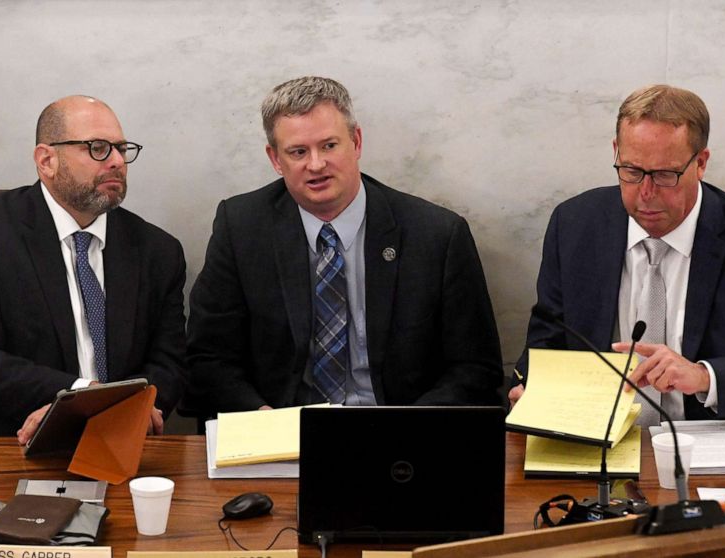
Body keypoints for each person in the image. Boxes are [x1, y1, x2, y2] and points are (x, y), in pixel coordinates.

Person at [0, 96, 187, 521]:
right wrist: (81, 403)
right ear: (47, 160)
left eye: (122, 148)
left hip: (112, 451)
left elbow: (169, 361)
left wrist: (126, 413)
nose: (116, 161)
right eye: (97, 148)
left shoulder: (158, 250)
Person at [511, 84, 725, 423]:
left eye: (665, 174)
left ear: (700, 163)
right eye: (632, 171)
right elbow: (545, 343)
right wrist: (531, 388)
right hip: (599, 444)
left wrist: (704, 376)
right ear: (616, 153)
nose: (646, 194)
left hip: (712, 445)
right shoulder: (575, 226)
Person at [186, 76, 502, 412]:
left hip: (397, 435)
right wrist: (262, 419)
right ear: (275, 159)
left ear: (357, 141)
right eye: (298, 152)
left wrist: (410, 426)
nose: (316, 164)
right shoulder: (241, 227)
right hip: (283, 433)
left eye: (329, 146)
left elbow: (476, 370)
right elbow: (208, 357)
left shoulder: (437, 235)